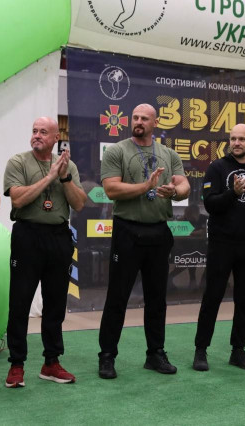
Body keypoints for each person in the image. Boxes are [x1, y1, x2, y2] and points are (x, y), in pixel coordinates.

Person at [98, 103, 190, 379]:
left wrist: (174, 191)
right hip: (127, 231)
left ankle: (155, 354)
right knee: (117, 297)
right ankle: (107, 356)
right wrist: (146, 186)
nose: (138, 121)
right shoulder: (117, 151)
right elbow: (111, 189)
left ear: (155, 123)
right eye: (135, 117)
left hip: (158, 232)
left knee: (157, 298)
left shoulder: (169, 154)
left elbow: (184, 186)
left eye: (144, 118)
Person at [3, 117, 86, 387]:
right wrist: (49, 177)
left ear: (55, 138)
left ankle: (51, 362)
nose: (37, 135)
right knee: (20, 302)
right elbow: (18, 199)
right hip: (27, 235)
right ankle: (16, 364)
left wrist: (64, 177)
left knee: (55, 303)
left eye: (43, 132)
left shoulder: (68, 166)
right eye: (34, 131)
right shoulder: (18, 162)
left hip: (59, 237)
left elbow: (79, 204)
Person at [192, 124, 245, 372]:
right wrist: (233, 192)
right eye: (233, 138)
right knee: (212, 297)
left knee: (244, 300)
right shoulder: (217, 168)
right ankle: (200, 350)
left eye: (242, 139)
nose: (236, 143)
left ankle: (238, 351)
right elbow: (210, 204)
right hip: (222, 243)